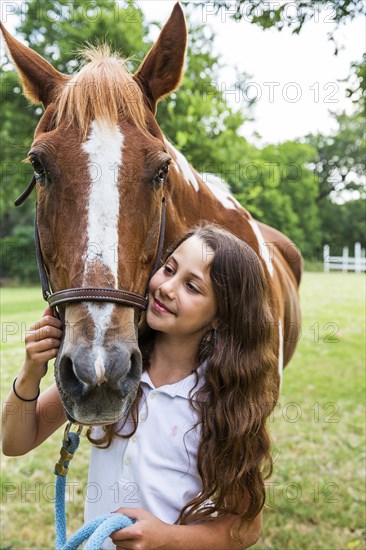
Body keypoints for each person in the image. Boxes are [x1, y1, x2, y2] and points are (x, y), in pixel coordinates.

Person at [2, 224, 279, 549]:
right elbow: (14, 442)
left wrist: (167, 539)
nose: (167, 288)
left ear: (220, 316)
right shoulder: (112, 369)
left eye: (192, 286)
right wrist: (31, 371)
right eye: (169, 269)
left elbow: (245, 528)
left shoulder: (222, 402)